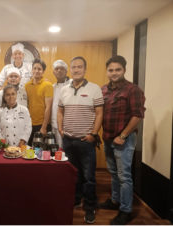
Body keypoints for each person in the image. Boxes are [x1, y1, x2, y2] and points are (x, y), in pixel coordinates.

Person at [97, 55, 146, 225]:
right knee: (113, 173)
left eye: (118, 69)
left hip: (124, 140)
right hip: (108, 138)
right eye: (111, 70)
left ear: (124, 70)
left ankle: (125, 210)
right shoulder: (103, 90)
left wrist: (122, 136)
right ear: (107, 72)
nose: (114, 73)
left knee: (124, 176)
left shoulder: (133, 90)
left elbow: (138, 115)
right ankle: (115, 201)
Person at [57, 56, 104, 224]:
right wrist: (61, 130)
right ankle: (76, 200)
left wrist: (93, 134)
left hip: (86, 140)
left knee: (89, 176)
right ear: (70, 69)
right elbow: (60, 112)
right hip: (68, 140)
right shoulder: (64, 89)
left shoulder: (94, 89)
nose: (76, 69)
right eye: (74, 67)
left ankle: (90, 205)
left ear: (85, 70)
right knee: (72, 174)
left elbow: (99, 113)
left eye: (80, 67)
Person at [25, 58, 53, 146]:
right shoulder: (27, 85)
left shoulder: (47, 85)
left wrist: (44, 127)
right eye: (35, 68)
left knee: (42, 153)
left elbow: (48, 107)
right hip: (29, 124)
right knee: (29, 152)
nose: (36, 71)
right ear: (32, 69)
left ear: (43, 71)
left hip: (41, 124)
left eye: (39, 69)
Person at [51, 60, 72, 148]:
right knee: (57, 150)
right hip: (54, 124)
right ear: (53, 72)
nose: (59, 70)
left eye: (62, 68)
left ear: (66, 71)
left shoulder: (73, 83)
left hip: (68, 126)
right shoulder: (52, 86)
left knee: (68, 151)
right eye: (57, 68)